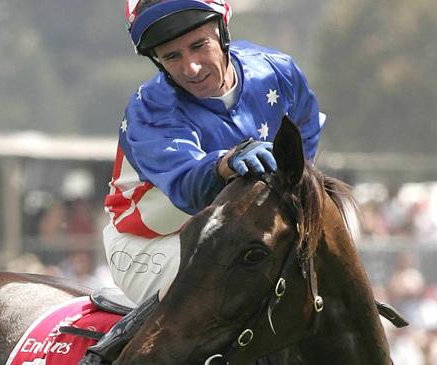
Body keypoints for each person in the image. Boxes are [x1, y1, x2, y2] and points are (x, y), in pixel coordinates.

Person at [80, 1, 325, 364]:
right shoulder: (152, 107)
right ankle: (106, 355)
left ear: (223, 32)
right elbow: (189, 185)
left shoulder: (277, 71)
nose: (190, 68)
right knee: (219, 303)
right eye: (172, 56)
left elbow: (304, 138)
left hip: (230, 232)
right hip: (151, 242)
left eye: (199, 46)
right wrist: (226, 163)